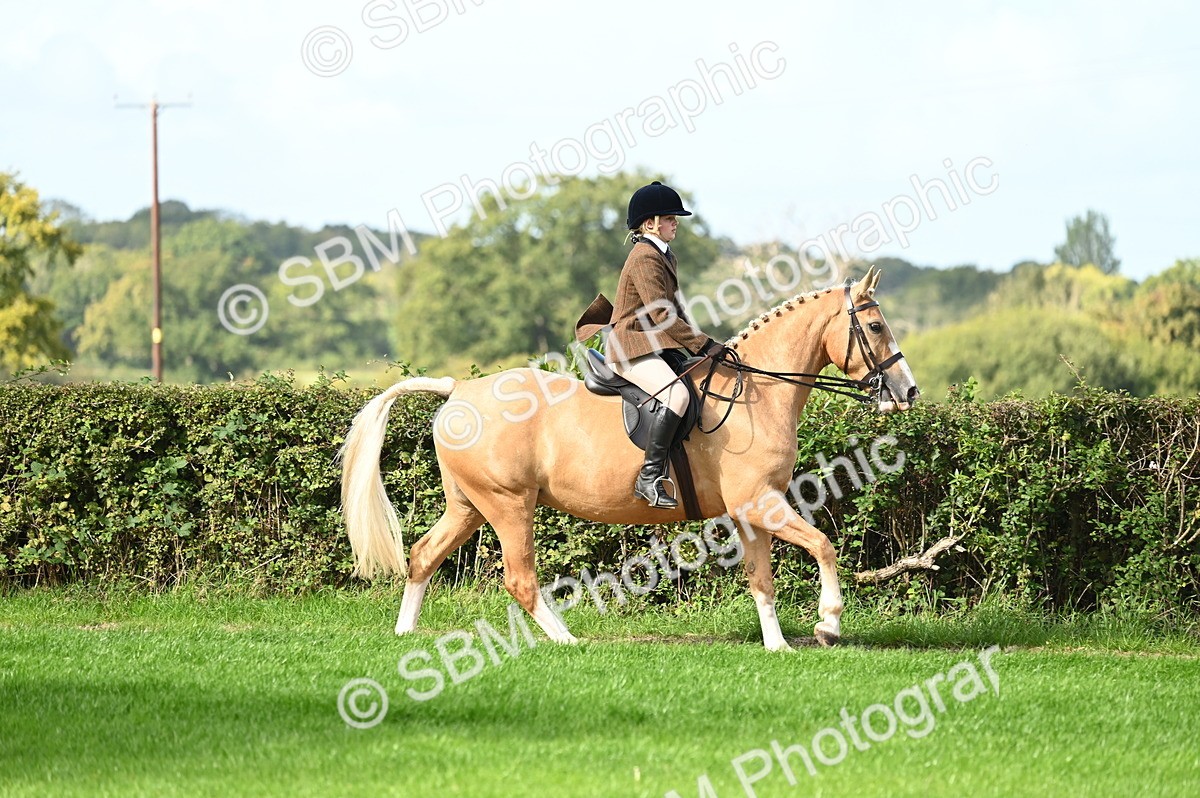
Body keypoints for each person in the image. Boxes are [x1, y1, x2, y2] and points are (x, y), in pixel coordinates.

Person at [575, 181, 728, 508]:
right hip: (631, 348)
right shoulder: (645, 256)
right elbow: (659, 313)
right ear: (650, 224)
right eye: (671, 218)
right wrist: (702, 345)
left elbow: (676, 309)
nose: (676, 223)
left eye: (675, 218)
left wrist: (703, 346)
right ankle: (649, 477)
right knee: (678, 394)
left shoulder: (664, 255)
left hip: (654, 346)